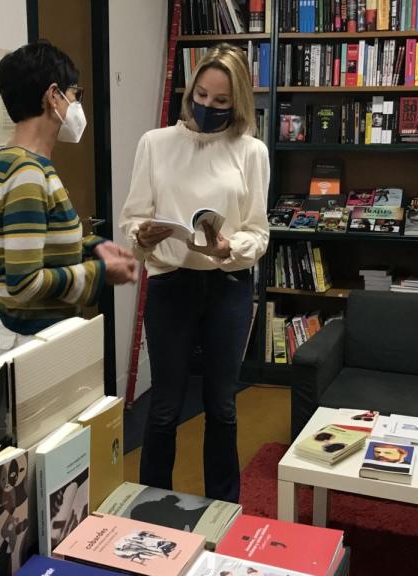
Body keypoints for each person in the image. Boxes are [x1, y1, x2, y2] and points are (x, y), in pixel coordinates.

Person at [119, 43, 269, 503]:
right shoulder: (155, 144)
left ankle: (223, 508)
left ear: (237, 102)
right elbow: (131, 219)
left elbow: (258, 233)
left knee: (222, 407)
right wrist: (140, 237)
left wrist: (230, 248)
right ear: (190, 91)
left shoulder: (251, 151)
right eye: (201, 95)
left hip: (227, 286)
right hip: (171, 283)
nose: (207, 107)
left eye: (221, 102)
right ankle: (151, 506)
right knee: (164, 407)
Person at [0, 42, 137, 356]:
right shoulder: (26, 173)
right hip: (29, 341)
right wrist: (99, 272)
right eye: (74, 94)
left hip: (37, 337)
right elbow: (25, 283)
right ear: (53, 96)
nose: (76, 105)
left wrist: (92, 245)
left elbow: (38, 245)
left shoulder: (26, 164)